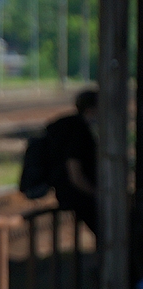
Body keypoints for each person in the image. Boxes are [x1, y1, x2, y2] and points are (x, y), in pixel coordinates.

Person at [43, 89, 98, 236]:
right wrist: (97, 194)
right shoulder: (79, 132)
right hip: (80, 196)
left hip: (67, 193)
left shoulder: (69, 127)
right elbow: (76, 175)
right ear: (91, 110)